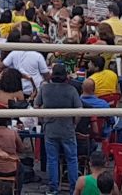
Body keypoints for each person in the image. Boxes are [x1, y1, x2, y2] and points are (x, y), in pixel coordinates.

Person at [34, 64, 82, 195]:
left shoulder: (44, 89)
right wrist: (74, 123)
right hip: (67, 128)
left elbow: (36, 105)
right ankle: (73, 188)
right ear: (66, 77)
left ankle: (53, 188)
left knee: (52, 159)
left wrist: (43, 120)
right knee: (72, 159)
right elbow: (79, 110)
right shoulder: (71, 90)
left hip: (50, 128)